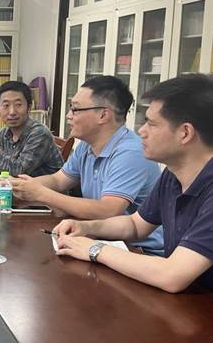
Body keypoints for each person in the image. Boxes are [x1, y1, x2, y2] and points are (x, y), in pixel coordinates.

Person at [54, 74, 213, 292]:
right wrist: (86, 227)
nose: (141, 131)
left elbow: (172, 275)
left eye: (151, 124)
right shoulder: (173, 175)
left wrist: (95, 249)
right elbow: (135, 225)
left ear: (185, 133)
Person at [8, 75, 163, 254]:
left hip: (140, 251)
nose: (68, 115)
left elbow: (108, 210)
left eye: (75, 109)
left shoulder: (131, 152)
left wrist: (41, 194)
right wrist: (19, 185)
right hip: (100, 239)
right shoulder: (87, 145)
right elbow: (58, 180)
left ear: (103, 115)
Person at [0, 80, 63, 177]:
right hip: (16, 186)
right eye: (6, 105)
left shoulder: (39, 134)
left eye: (18, 105)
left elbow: (18, 171)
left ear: (29, 108)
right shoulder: (5, 133)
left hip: (46, 188)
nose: (12, 112)